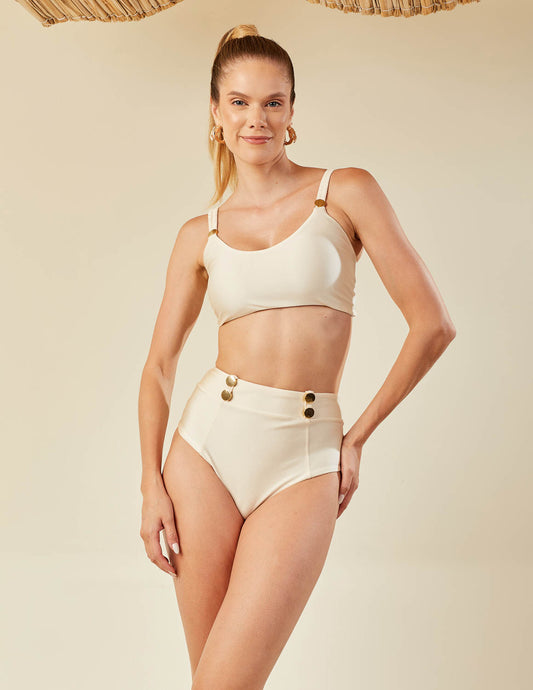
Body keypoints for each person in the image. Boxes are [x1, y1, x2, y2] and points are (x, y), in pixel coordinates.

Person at [138, 23, 456, 690]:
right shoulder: (200, 234)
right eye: (239, 102)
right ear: (215, 112)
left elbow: (432, 325)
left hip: (306, 451)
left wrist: (356, 437)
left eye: (272, 102)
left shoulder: (343, 192)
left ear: (291, 111)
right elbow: (159, 366)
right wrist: (150, 484)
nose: (256, 118)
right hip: (205, 448)